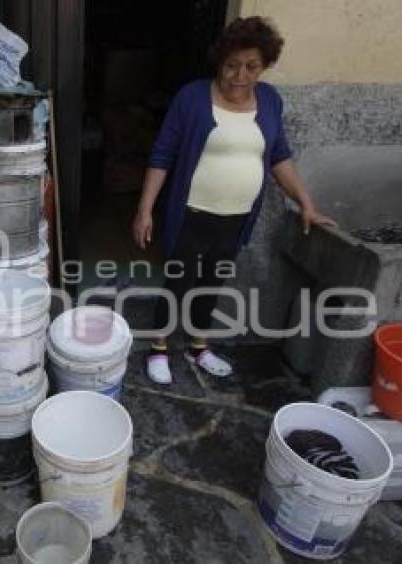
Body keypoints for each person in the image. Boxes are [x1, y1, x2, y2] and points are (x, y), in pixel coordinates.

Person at [131, 16, 336, 384]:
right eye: (232, 65)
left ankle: (198, 345)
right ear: (219, 61)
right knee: (179, 282)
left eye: (252, 67)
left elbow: (280, 157)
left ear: (265, 66)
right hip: (191, 214)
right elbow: (162, 155)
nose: (240, 75)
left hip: (237, 216)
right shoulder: (192, 97)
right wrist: (145, 209)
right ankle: (159, 348)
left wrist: (307, 203)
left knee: (212, 282)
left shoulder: (270, 100)